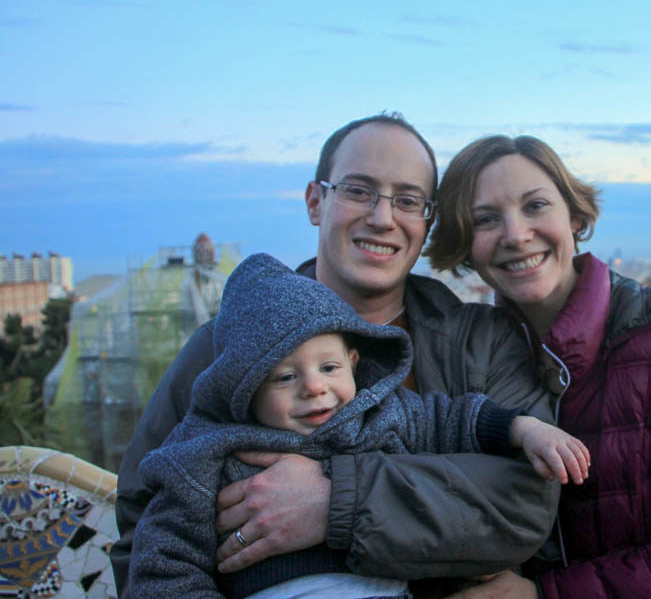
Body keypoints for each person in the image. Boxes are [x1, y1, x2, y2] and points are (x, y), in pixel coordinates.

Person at [114, 115, 561, 595]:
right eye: (358, 190)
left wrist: (335, 502)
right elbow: (145, 530)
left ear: (426, 222)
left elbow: (525, 502)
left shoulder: (480, 342)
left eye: (408, 201)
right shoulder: (226, 347)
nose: (382, 217)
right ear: (315, 201)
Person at [425, 135, 651, 598]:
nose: (515, 234)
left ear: (576, 217)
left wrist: (544, 595)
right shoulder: (468, 356)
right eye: (486, 219)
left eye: (536, 206)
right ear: (465, 246)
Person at [128, 253, 587, 598]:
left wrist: (525, 429)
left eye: (328, 368)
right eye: (285, 377)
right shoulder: (208, 453)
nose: (314, 388)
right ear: (244, 390)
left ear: (352, 362)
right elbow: (164, 561)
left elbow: (455, 418)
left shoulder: (377, 414)